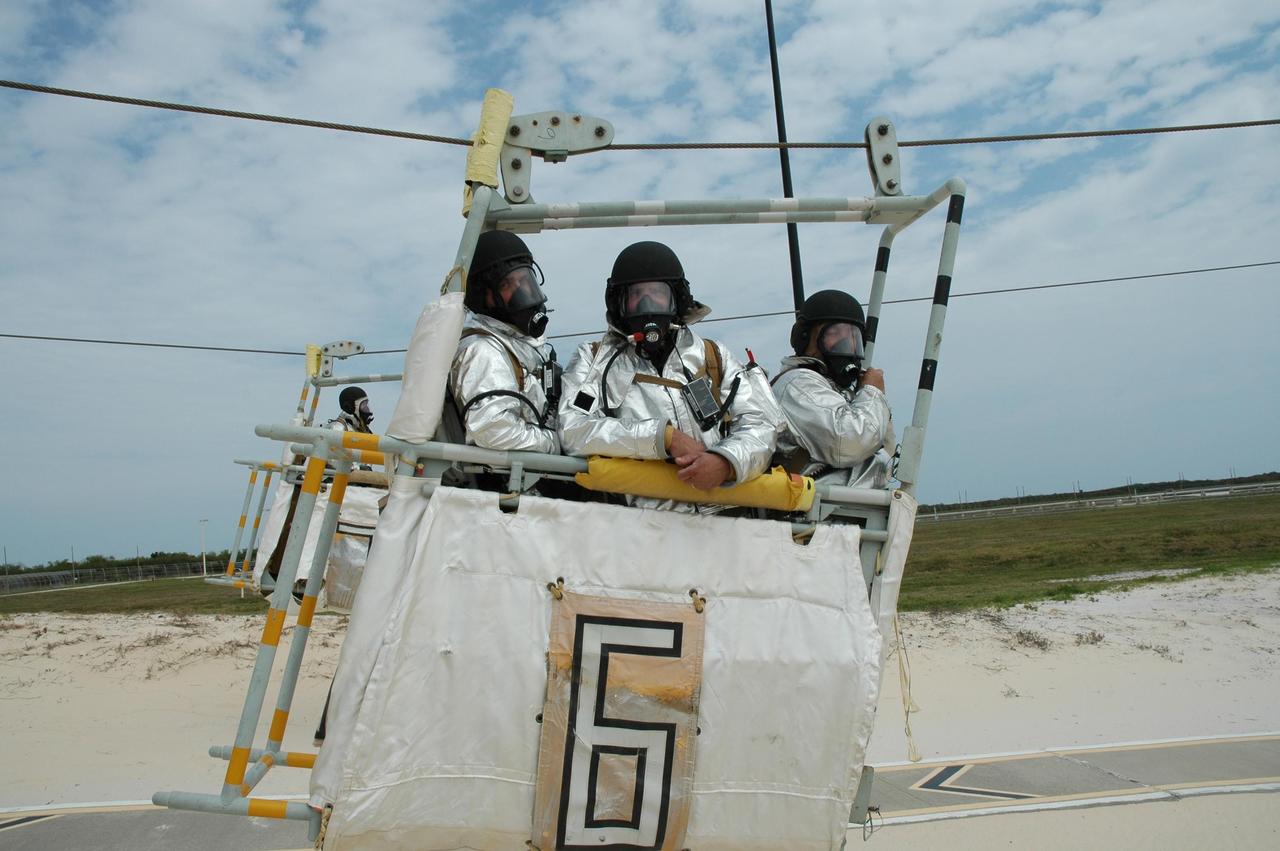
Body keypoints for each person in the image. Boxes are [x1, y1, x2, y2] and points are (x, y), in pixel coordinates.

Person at [558, 241, 780, 510]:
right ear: (620, 303)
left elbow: (760, 423)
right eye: (636, 295)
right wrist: (663, 437)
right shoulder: (594, 360)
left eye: (657, 293)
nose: (647, 303)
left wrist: (726, 461)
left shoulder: (713, 356)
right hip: (640, 524)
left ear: (677, 299)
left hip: (724, 518)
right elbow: (573, 430)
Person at [448, 230, 560, 454]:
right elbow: (493, 430)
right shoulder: (482, 350)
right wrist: (558, 443)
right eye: (507, 285)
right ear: (484, 297)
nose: (522, 291)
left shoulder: (520, 345)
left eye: (524, 280)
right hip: (519, 472)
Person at [772, 289, 896, 491]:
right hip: (813, 507)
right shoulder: (796, 384)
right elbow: (848, 442)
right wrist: (873, 393)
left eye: (853, 336)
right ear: (805, 338)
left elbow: (885, 451)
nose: (846, 343)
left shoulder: (839, 392)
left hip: (850, 505)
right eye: (835, 333)